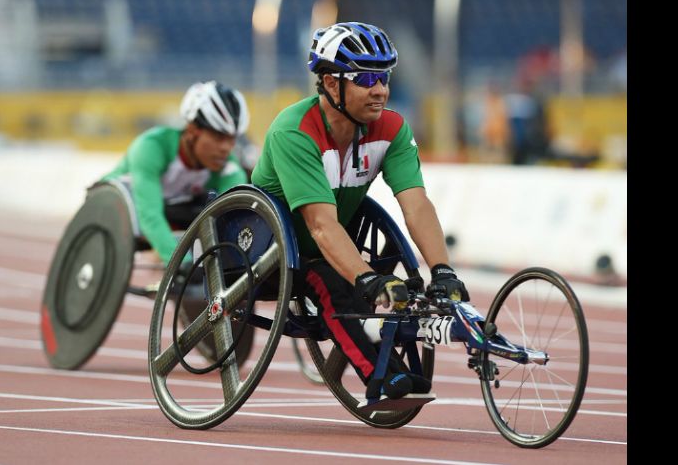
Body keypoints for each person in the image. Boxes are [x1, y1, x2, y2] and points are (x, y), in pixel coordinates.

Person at [251, 22, 470, 401]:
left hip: (333, 244)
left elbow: (416, 204)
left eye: (384, 77)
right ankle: (379, 376)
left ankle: (392, 367)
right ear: (332, 83)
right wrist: (367, 280)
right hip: (270, 252)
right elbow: (319, 226)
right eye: (367, 78)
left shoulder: (392, 129)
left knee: (388, 282)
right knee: (331, 281)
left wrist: (441, 270)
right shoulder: (295, 131)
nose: (381, 90)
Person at [101, 80, 250, 264]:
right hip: (113, 208)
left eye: (232, 139)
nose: (226, 148)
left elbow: (230, 221)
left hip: (167, 211)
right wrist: (182, 264)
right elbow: (150, 215)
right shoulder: (152, 147)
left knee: (207, 210)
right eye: (219, 137)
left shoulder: (228, 168)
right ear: (193, 130)